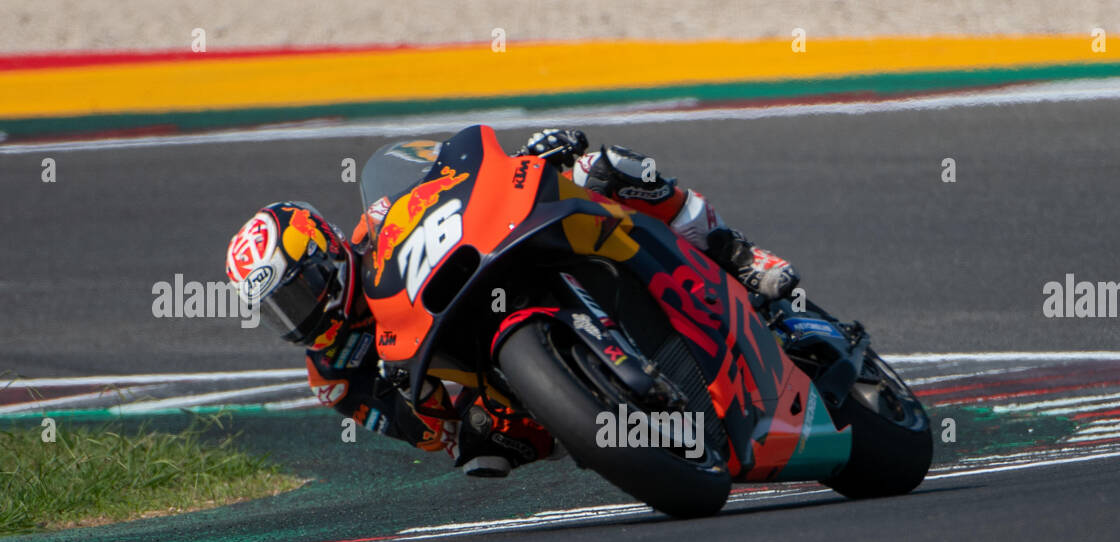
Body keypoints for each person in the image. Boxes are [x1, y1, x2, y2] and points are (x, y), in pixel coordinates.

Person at [224, 128, 800, 477]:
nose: (300, 316)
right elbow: (422, 434)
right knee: (485, 446)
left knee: (603, 168)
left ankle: (737, 254)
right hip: (492, 393)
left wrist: (527, 157)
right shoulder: (334, 374)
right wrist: (431, 408)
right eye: (282, 310)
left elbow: (455, 170)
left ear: (327, 250)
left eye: (298, 291)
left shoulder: (379, 223)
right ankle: (616, 411)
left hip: (492, 260)